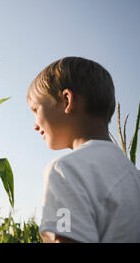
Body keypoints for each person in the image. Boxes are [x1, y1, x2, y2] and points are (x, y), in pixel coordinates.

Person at [26, 56, 140, 243]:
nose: (35, 125)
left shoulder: (65, 172)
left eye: (35, 110)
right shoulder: (134, 177)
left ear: (66, 100)